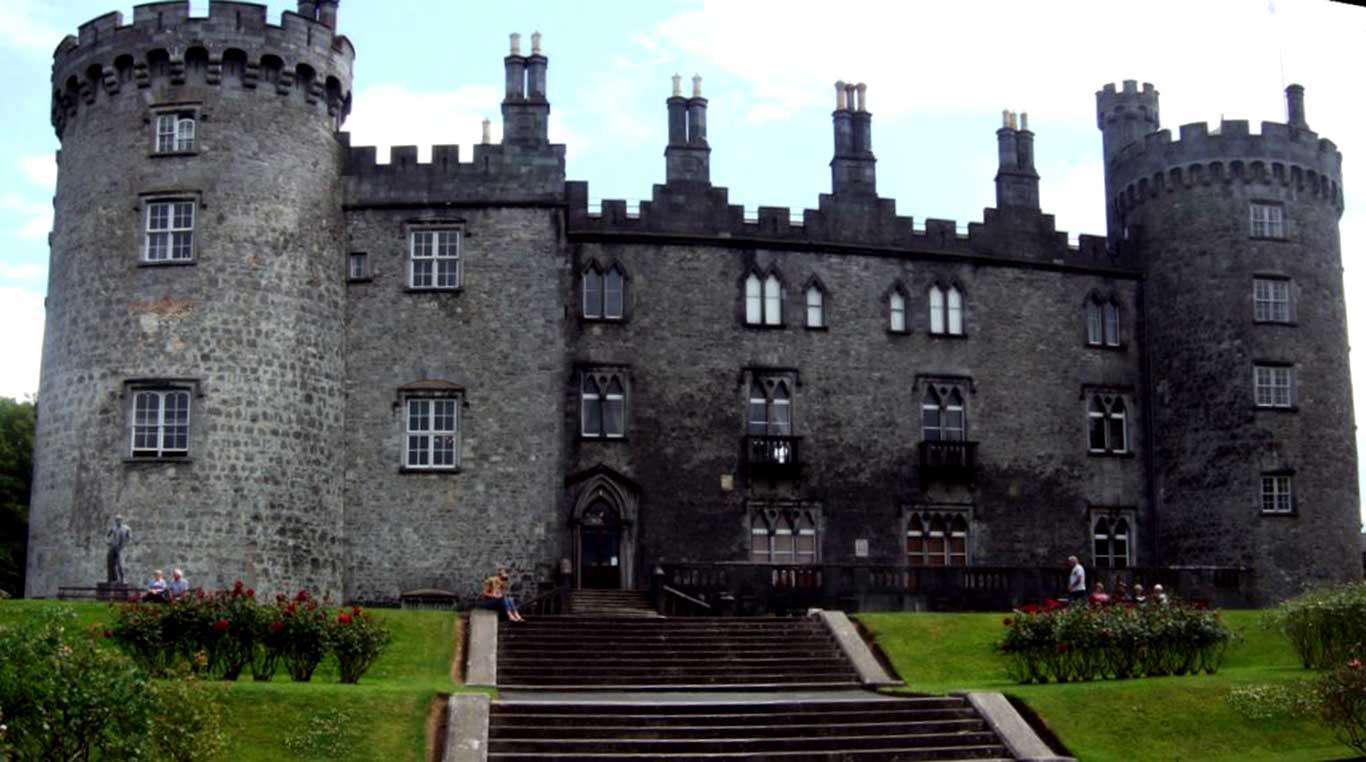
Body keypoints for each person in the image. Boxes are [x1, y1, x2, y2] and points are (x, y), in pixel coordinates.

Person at [106, 515, 132, 584]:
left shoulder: (126, 528)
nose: (118, 521)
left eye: (119, 520)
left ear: (122, 520)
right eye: (117, 520)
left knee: (120, 564)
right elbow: (106, 535)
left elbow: (129, 537)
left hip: (120, 548)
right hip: (113, 547)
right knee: (111, 563)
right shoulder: (113, 528)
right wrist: (108, 542)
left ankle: (123, 578)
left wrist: (125, 543)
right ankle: (113, 579)